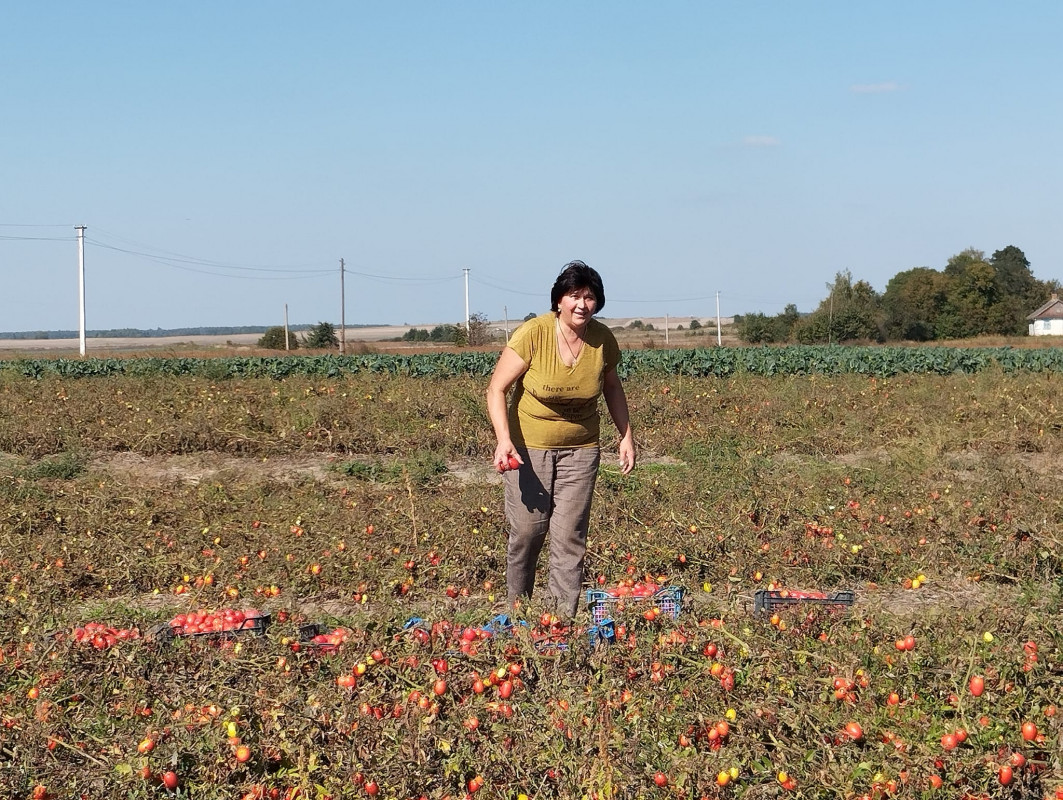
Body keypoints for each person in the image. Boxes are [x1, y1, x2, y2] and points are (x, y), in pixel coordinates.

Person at [486, 260, 635, 617]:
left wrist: (626, 435)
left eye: (590, 297)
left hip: (581, 449)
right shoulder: (533, 334)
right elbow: (496, 389)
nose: (582, 304)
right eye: (574, 296)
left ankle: (558, 622)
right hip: (527, 447)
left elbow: (612, 387)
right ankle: (518, 613)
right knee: (528, 532)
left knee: (569, 537)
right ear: (558, 301)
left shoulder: (602, 340)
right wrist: (503, 440)